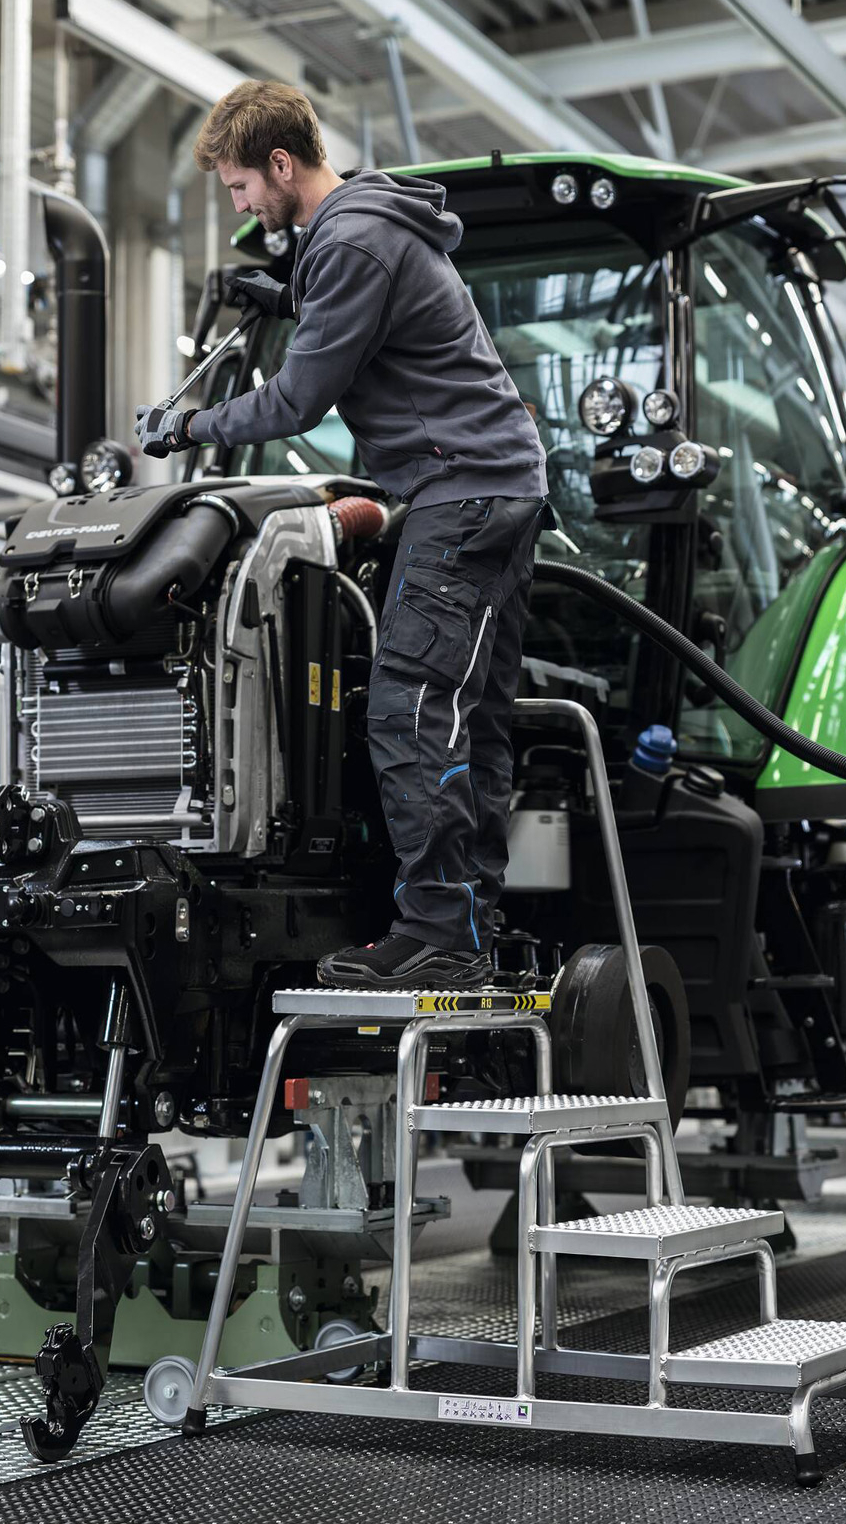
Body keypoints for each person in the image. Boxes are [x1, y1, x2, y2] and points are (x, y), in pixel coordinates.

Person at [135, 79, 548, 991]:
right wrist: (287, 295)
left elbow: (296, 400)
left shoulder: (354, 240)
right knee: (469, 718)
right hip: (487, 486)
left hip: (463, 493)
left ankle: (440, 930)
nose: (241, 203)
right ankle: (469, 929)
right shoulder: (361, 229)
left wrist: (187, 427)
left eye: (242, 186)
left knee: (407, 706)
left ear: (282, 164)